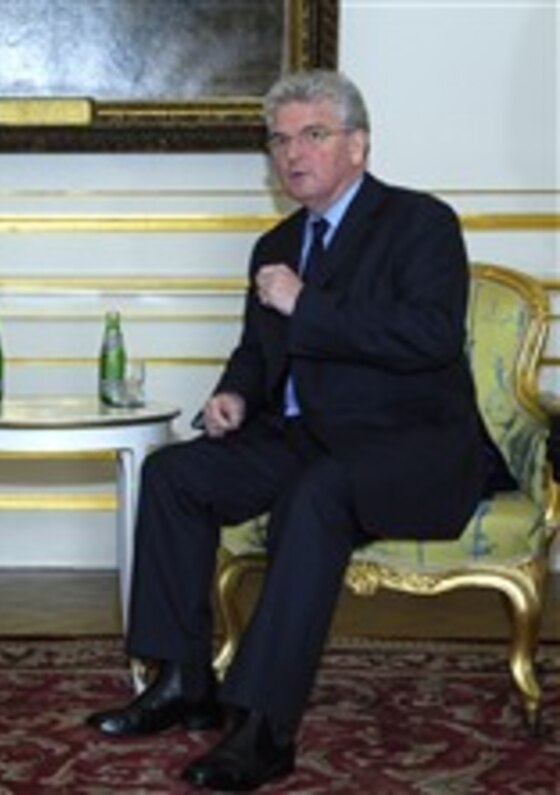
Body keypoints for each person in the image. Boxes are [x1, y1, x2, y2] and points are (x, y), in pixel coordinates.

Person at [86, 70, 486, 791]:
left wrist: (310, 304)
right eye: (279, 139)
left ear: (357, 145)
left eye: (313, 135)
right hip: (304, 437)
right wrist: (233, 395)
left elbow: (429, 336)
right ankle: (181, 678)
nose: (291, 153)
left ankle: (264, 727)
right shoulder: (274, 242)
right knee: (176, 474)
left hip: (412, 443)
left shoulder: (421, 223)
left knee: (315, 493)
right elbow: (254, 352)